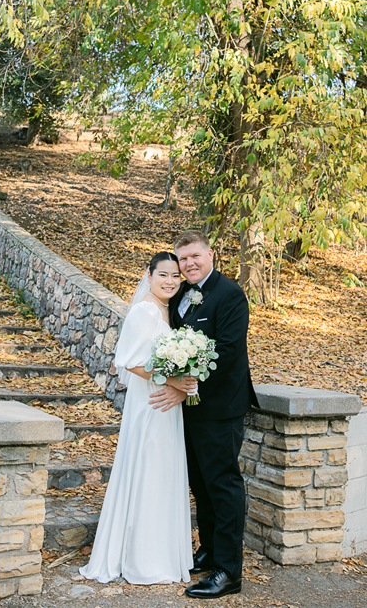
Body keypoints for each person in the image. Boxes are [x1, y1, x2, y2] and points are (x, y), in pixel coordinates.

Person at [149, 230, 259, 599]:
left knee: (223, 486)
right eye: (183, 259)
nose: (189, 264)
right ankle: (210, 550)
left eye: (195, 256)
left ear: (210, 254)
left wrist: (185, 384)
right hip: (190, 409)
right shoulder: (180, 293)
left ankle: (228, 572)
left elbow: (227, 352)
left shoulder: (231, 294)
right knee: (200, 483)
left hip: (221, 407)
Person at [79, 251, 197, 585]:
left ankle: (161, 554)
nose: (171, 281)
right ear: (148, 276)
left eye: (176, 276)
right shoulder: (145, 309)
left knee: (162, 471)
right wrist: (173, 381)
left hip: (165, 405)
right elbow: (128, 361)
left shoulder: (168, 309)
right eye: (163, 275)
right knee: (148, 469)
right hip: (150, 405)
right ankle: (142, 559)